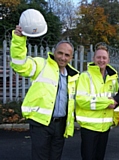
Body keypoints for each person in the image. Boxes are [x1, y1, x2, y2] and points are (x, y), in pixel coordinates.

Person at [10, 25, 79, 160]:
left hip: (60, 125)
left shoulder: (73, 76)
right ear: (54, 52)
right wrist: (19, 40)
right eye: (60, 53)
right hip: (41, 124)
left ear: (71, 58)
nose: (63, 58)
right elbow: (20, 64)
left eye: (67, 55)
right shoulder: (41, 65)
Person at [75, 45, 119, 160]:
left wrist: (115, 119)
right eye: (98, 57)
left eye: (104, 58)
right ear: (93, 59)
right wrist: (106, 102)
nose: (101, 60)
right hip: (89, 127)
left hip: (105, 127)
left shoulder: (113, 79)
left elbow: (117, 101)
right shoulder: (85, 76)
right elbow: (81, 100)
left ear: (108, 60)